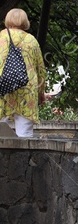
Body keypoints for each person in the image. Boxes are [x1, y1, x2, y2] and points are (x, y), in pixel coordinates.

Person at [0, 8, 45, 138]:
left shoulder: (1, 38)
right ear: (25, 21)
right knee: (24, 134)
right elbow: (41, 69)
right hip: (27, 89)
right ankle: (24, 157)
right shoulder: (32, 41)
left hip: (3, 87)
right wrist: (41, 93)